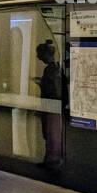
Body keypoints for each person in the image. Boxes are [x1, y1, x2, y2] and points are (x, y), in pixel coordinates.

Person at [35, 40, 64, 168]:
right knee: (52, 133)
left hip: (51, 105)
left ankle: (52, 159)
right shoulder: (56, 68)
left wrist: (41, 84)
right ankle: (51, 159)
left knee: (51, 133)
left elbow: (54, 89)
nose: (39, 58)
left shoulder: (50, 69)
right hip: (53, 105)